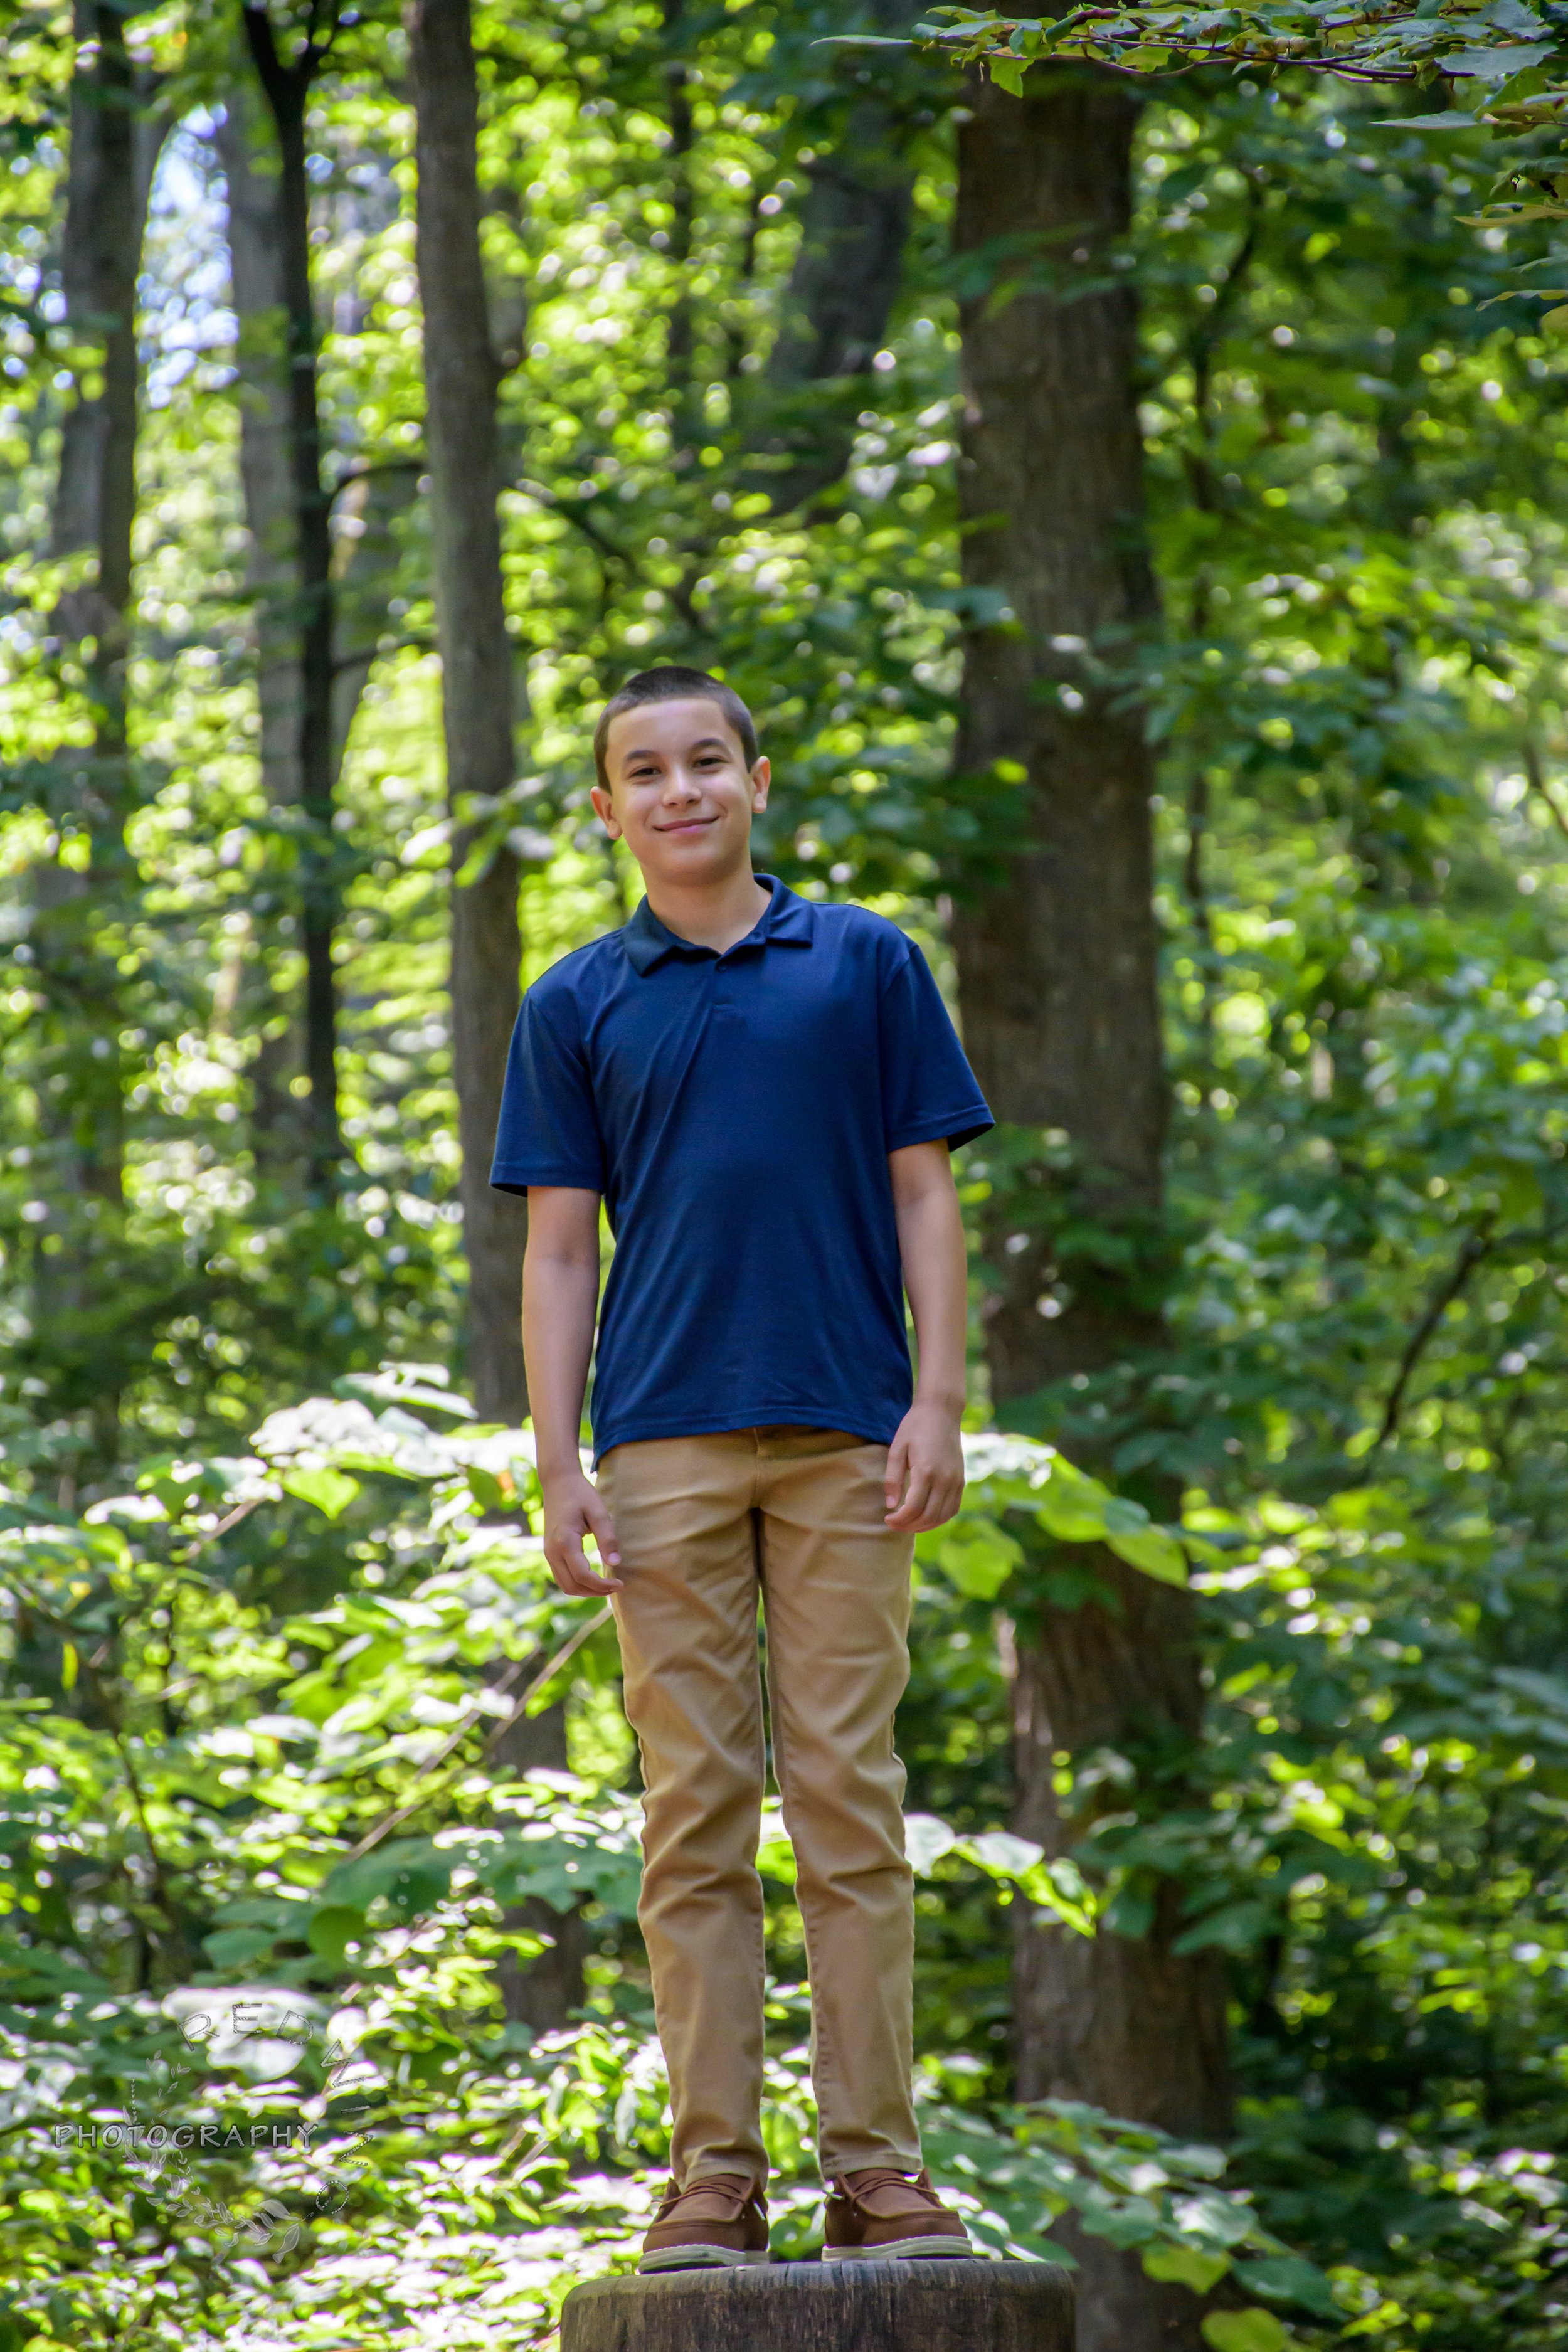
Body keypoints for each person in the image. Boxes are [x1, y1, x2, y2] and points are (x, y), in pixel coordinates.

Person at [490, 665, 993, 2271]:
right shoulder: (575, 1000)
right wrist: (558, 1462)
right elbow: (559, 1253)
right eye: (645, 770)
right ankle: (714, 2179)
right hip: (660, 1448)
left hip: (852, 1432)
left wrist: (939, 1397)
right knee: (690, 1815)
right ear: (607, 807)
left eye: (707, 761)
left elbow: (924, 1195)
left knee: (850, 1804)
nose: (680, 789)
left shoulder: (861, 964)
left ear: (756, 781)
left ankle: (879, 2175)